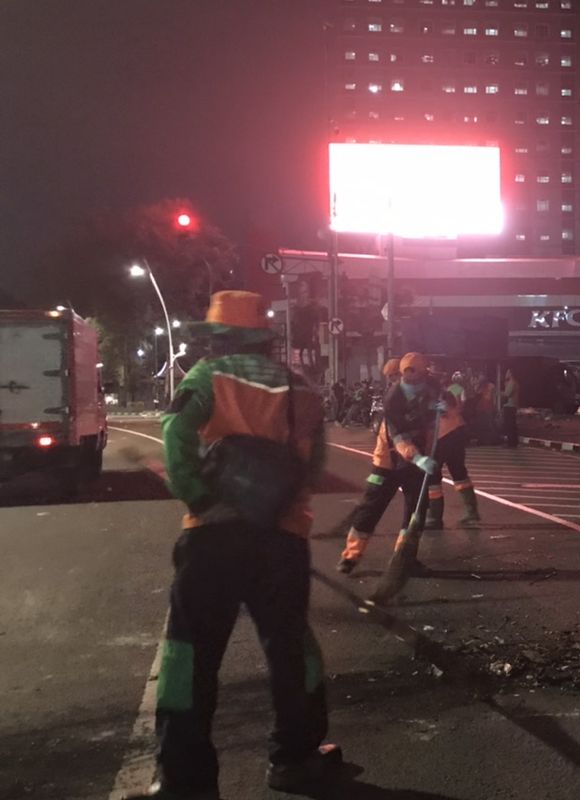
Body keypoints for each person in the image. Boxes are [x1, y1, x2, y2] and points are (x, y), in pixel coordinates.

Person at [129, 291, 339, 799]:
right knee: (291, 651)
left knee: (189, 657)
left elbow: (177, 442)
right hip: (281, 540)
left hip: (213, 540)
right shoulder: (300, 389)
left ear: (219, 339)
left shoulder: (204, 379)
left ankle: (186, 782)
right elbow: (314, 462)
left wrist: (200, 498)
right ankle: (295, 758)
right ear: (265, 339)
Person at [337, 353, 440, 575]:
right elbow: (399, 436)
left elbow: (440, 402)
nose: (412, 383)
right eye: (399, 376)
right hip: (388, 462)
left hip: (414, 464)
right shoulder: (393, 398)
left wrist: (442, 405)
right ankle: (350, 556)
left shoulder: (428, 386)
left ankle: (404, 559)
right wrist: (419, 458)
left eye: (418, 378)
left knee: (415, 513)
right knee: (371, 508)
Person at [425, 370, 482, 529]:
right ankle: (472, 512)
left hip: (444, 436)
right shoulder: (446, 391)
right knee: (458, 472)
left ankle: (435, 518)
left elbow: (444, 410)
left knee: (433, 476)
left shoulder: (437, 395)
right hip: (457, 432)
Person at [501, 367, 520, 447]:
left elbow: (507, 394)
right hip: (512, 405)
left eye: (507, 372)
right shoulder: (513, 382)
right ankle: (513, 442)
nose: (506, 373)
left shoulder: (512, 383)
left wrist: (498, 392)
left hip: (510, 406)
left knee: (509, 425)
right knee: (512, 424)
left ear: (511, 373)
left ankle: (511, 442)